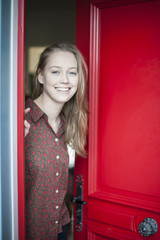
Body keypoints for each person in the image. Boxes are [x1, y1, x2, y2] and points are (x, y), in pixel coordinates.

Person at [24, 42, 88, 240]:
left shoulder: (66, 123)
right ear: (41, 75)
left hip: (59, 229)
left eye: (72, 72)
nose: (65, 80)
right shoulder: (19, 120)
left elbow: (55, 176)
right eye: (55, 71)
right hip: (25, 232)